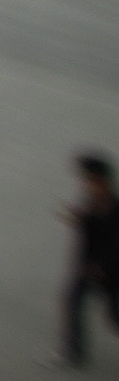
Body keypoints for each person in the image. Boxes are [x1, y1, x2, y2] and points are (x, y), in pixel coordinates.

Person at [63, 153, 119, 367]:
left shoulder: (115, 209)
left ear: (103, 182)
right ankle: (74, 351)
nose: (86, 186)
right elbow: (89, 237)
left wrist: (103, 268)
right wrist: (80, 218)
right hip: (88, 268)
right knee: (72, 300)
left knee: (115, 317)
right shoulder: (91, 204)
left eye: (91, 181)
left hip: (112, 273)